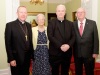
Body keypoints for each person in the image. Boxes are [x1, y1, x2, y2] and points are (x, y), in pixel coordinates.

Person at [5, 6, 34, 75]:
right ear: (17, 13)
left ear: (27, 14)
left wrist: (32, 56)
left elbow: (30, 41)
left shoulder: (29, 25)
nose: (23, 14)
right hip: (16, 58)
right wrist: (11, 59)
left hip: (27, 58)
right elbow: (8, 44)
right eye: (21, 12)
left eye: (25, 12)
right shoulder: (10, 25)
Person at [47, 4, 75, 75]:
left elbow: (73, 37)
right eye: (59, 11)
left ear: (65, 12)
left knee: (65, 72)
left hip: (67, 53)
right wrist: (60, 46)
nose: (60, 12)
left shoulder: (71, 24)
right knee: (54, 72)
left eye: (62, 11)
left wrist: (68, 45)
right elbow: (50, 36)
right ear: (56, 12)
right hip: (55, 53)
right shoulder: (51, 22)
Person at [73, 7, 99, 75]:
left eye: (82, 12)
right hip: (77, 53)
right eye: (78, 12)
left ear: (85, 13)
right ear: (76, 14)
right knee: (78, 72)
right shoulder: (73, 24)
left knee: (89, 72)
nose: (80, 14)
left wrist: (95, 52)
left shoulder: (92, 23)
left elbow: (96, 38)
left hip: (89, 54)